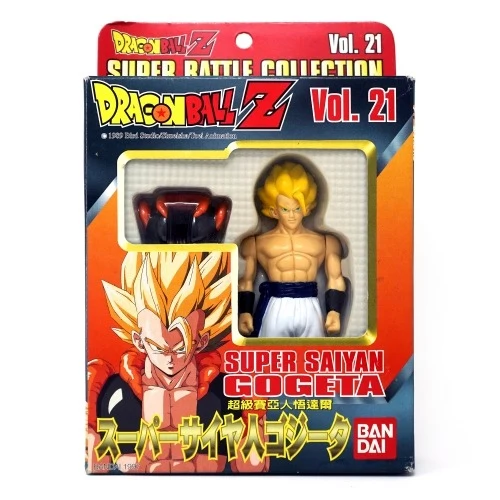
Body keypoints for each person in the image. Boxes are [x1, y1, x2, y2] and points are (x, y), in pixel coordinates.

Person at [238, 161, 347, 338]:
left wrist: (334, 311)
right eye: (285, 209)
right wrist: (244, 311)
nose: (292, 215)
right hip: (275, 306)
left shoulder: (326, 242)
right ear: (274, 211)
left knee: (314, 353)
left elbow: (335, 278)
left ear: (307, 208)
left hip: (310, 306)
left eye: (297, 209)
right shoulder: (256, 243)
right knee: (271, 353)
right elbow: (246, 280)